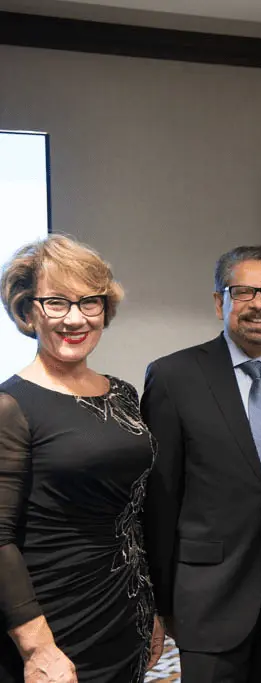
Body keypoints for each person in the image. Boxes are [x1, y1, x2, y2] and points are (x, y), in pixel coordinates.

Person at [142, 245, 261, 683]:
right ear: (219, 302)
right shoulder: (174, 377)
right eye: (243, 291)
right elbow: (160, 500)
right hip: (206, 600)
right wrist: (159, 602)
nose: (258, 304)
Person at [0, 235, 161, 682]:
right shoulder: (9, 406)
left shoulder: (123, 394)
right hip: (52, 621)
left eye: (89, 302)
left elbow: (133, 512)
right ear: (28, 311)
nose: (75, 318)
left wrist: (150, 608)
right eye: (56, 302)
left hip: (122, 609)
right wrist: (37, 647)